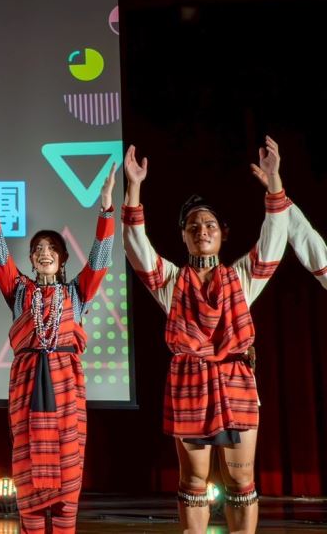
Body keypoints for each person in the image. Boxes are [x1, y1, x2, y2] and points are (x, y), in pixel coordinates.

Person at [122, 137, 299, 534]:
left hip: (235, 380)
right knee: (193, 481)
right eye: (193, 226)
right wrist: (133, 187)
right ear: (183, 236)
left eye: (209, 225)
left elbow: (274, 239)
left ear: (223, 233)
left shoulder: (241, 278)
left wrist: (274, 181)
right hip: (190, 382)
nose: (201, 230)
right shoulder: (170, 281)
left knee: (240, 479)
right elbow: (136, 245)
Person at [0, 157, 115, 533]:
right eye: (38, 247)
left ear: (63, 258)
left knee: (68, 483)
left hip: (66, 392)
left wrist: (106, 208)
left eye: (52, 247)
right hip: (26, 390)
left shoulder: (77, 293)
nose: (44, 252)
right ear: (31, 258)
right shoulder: (19, 291)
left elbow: (101, 257)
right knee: (29, 481)